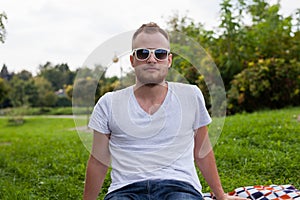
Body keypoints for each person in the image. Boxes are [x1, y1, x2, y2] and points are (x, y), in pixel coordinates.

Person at [83, 22, 244, 200]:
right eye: (143, 53)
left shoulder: (190, 95)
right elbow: (98, 161)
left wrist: (221, 195)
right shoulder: (108, 103)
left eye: (159, 54)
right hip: (125, 190)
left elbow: (202, 152)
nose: (152, 59)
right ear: (132, 60)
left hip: (180, 187)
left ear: (169, 60)